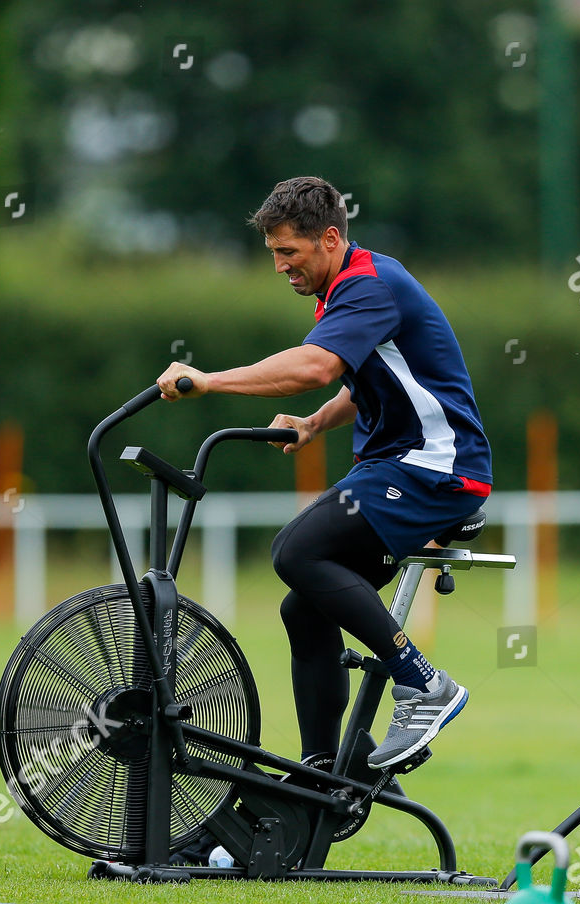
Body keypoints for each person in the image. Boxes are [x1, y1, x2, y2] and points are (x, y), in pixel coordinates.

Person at [157, 175, 491, 770]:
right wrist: (315, 424)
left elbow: (315, 366)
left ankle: (423, 683)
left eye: (289, 252)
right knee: (302, 608)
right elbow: (368, 383)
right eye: (274, 254)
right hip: (404, 467)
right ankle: (331, 769)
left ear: (330, 239)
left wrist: (208, 380)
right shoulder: (350, 286)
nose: (281, 266)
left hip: (434, 470)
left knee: (294, 551)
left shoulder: (369, 285)